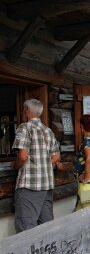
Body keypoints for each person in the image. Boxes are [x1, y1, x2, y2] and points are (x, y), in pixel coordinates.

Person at [56, 114, 90, 254]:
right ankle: (74, 246)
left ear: (81, 127)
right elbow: (82, 161)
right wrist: (62, 166)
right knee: (78, 215)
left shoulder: (87, 142)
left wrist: (86, 177)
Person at [11, 99, 60, 233]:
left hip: (30, 185)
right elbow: (56, 157)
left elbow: (22, 156)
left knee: (26, 227)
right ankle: (49, 253)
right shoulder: (48, 130)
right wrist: (43, 162)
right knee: (46, 225)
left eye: (23, 109)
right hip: (47, 184)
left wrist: (15, 165)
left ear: (26, 110)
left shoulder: (24, 127)